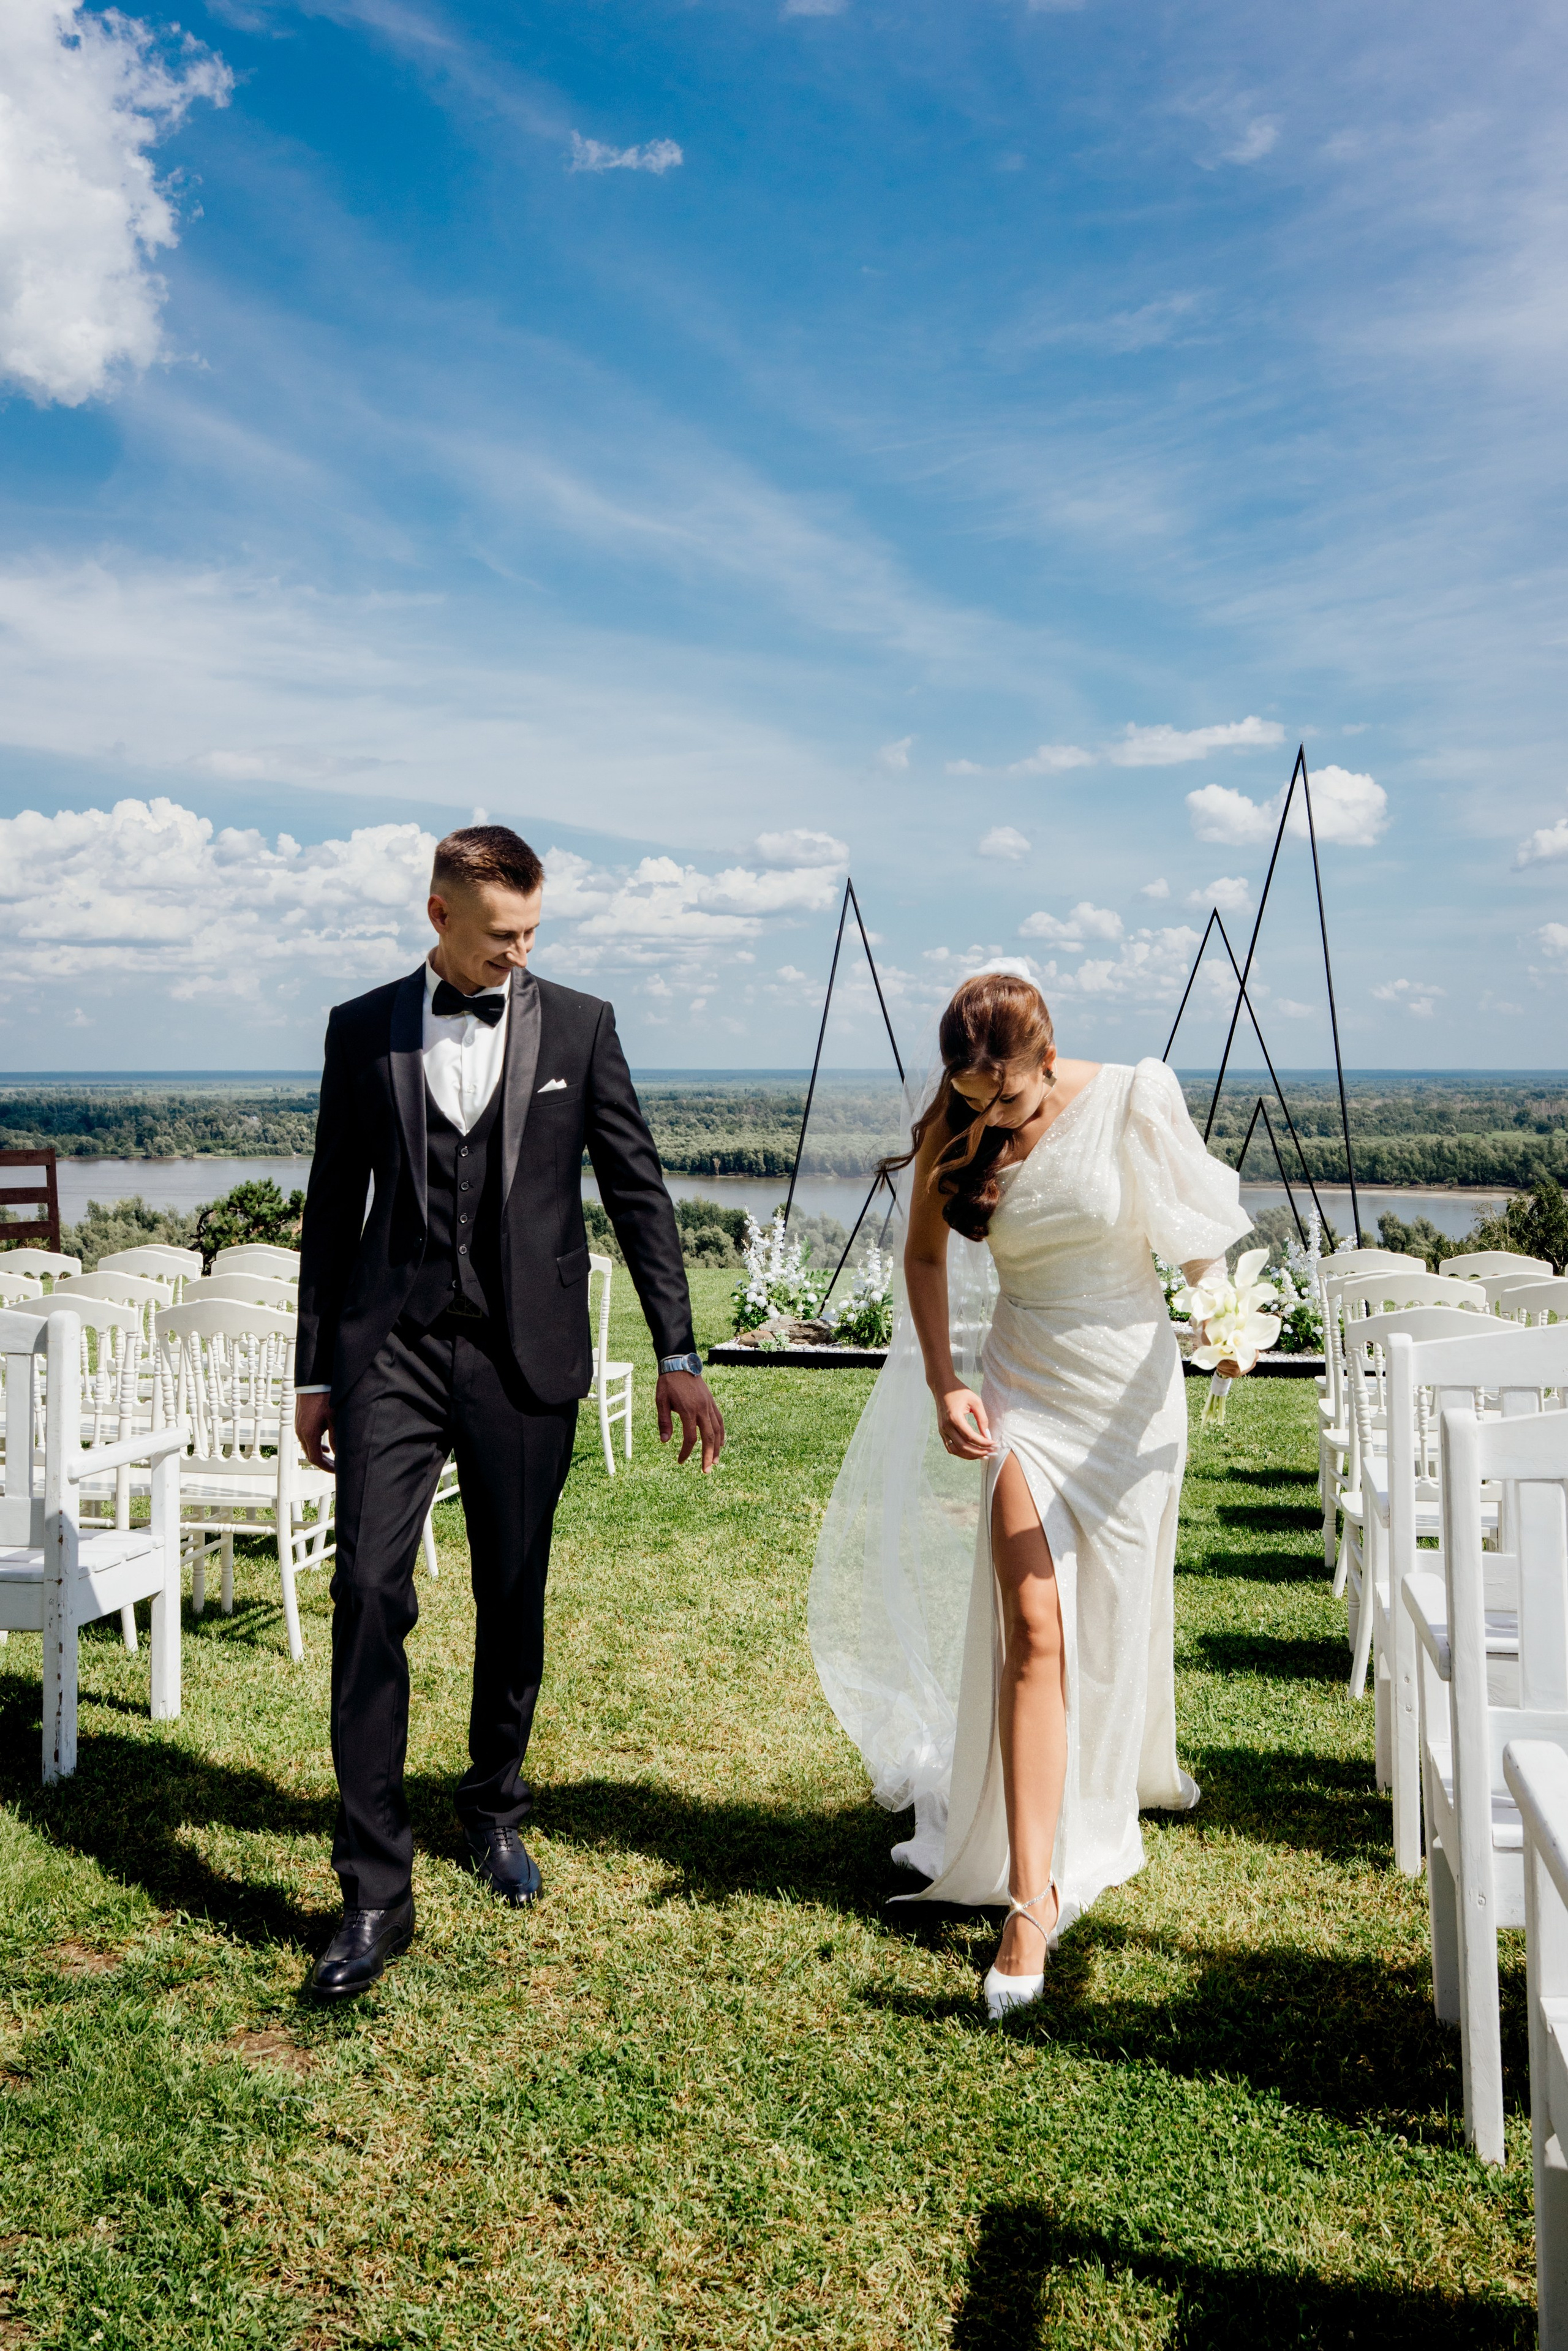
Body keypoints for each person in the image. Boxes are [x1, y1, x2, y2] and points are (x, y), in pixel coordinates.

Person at [295, 824, 725, 1998]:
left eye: (533, 933)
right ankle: (376, 1889)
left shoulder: (581, 1025)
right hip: (391, 1348)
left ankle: (492, 1806)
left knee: (511, 1586)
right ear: (439, 916)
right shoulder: (358, 1026)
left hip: (527, 1355)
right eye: (500, 936)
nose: (519, 956)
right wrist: (316, 1373)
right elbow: (333, 1207)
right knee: (370, 1589)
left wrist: (677, 1350)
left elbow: (638, 1191)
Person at [808, 972, 1251, 2020]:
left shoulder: (1138, 1094)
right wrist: (945, 1379)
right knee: (1035, 1626)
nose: (981, 1115)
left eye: (999, 1100)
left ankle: (1111, 1772)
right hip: (1025, 1397)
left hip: (1133, 1402)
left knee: (1108, 1613)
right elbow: (923, 1254)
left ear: (1049, 1059)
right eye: (966, 1096)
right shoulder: (955, 1129)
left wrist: (1224, 1320)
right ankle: (1031, 1893)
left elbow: (1196, 1238)